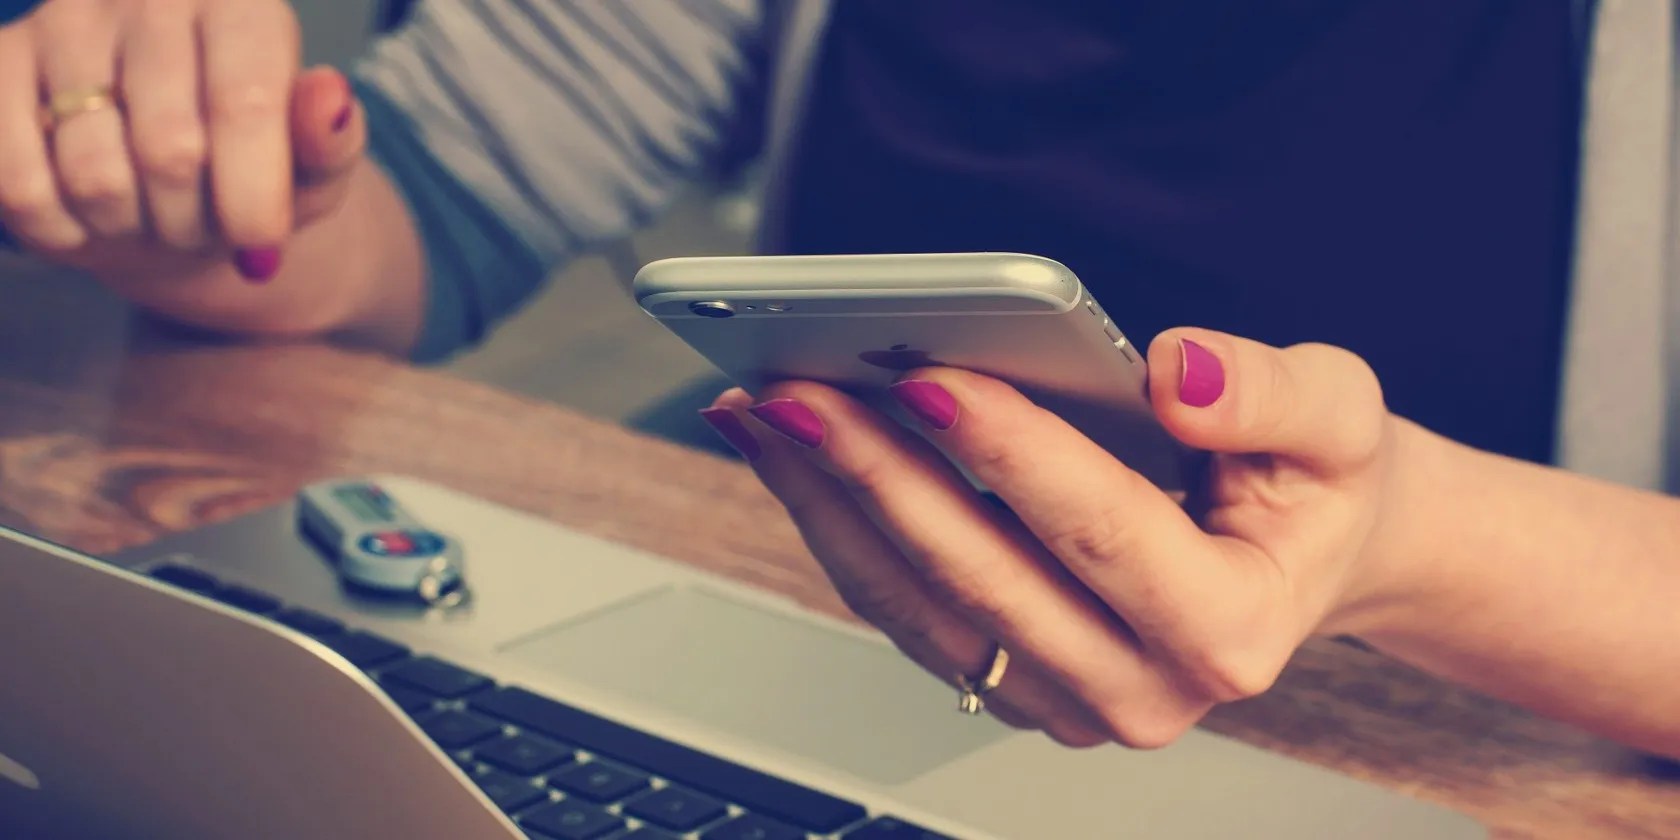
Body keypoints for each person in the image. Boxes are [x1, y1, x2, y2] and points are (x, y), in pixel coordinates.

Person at [2, 0, 1678, 760]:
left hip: (1454, 773)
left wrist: (1405, 540)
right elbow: (437, 193)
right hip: (801, 678)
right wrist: (212, 185)